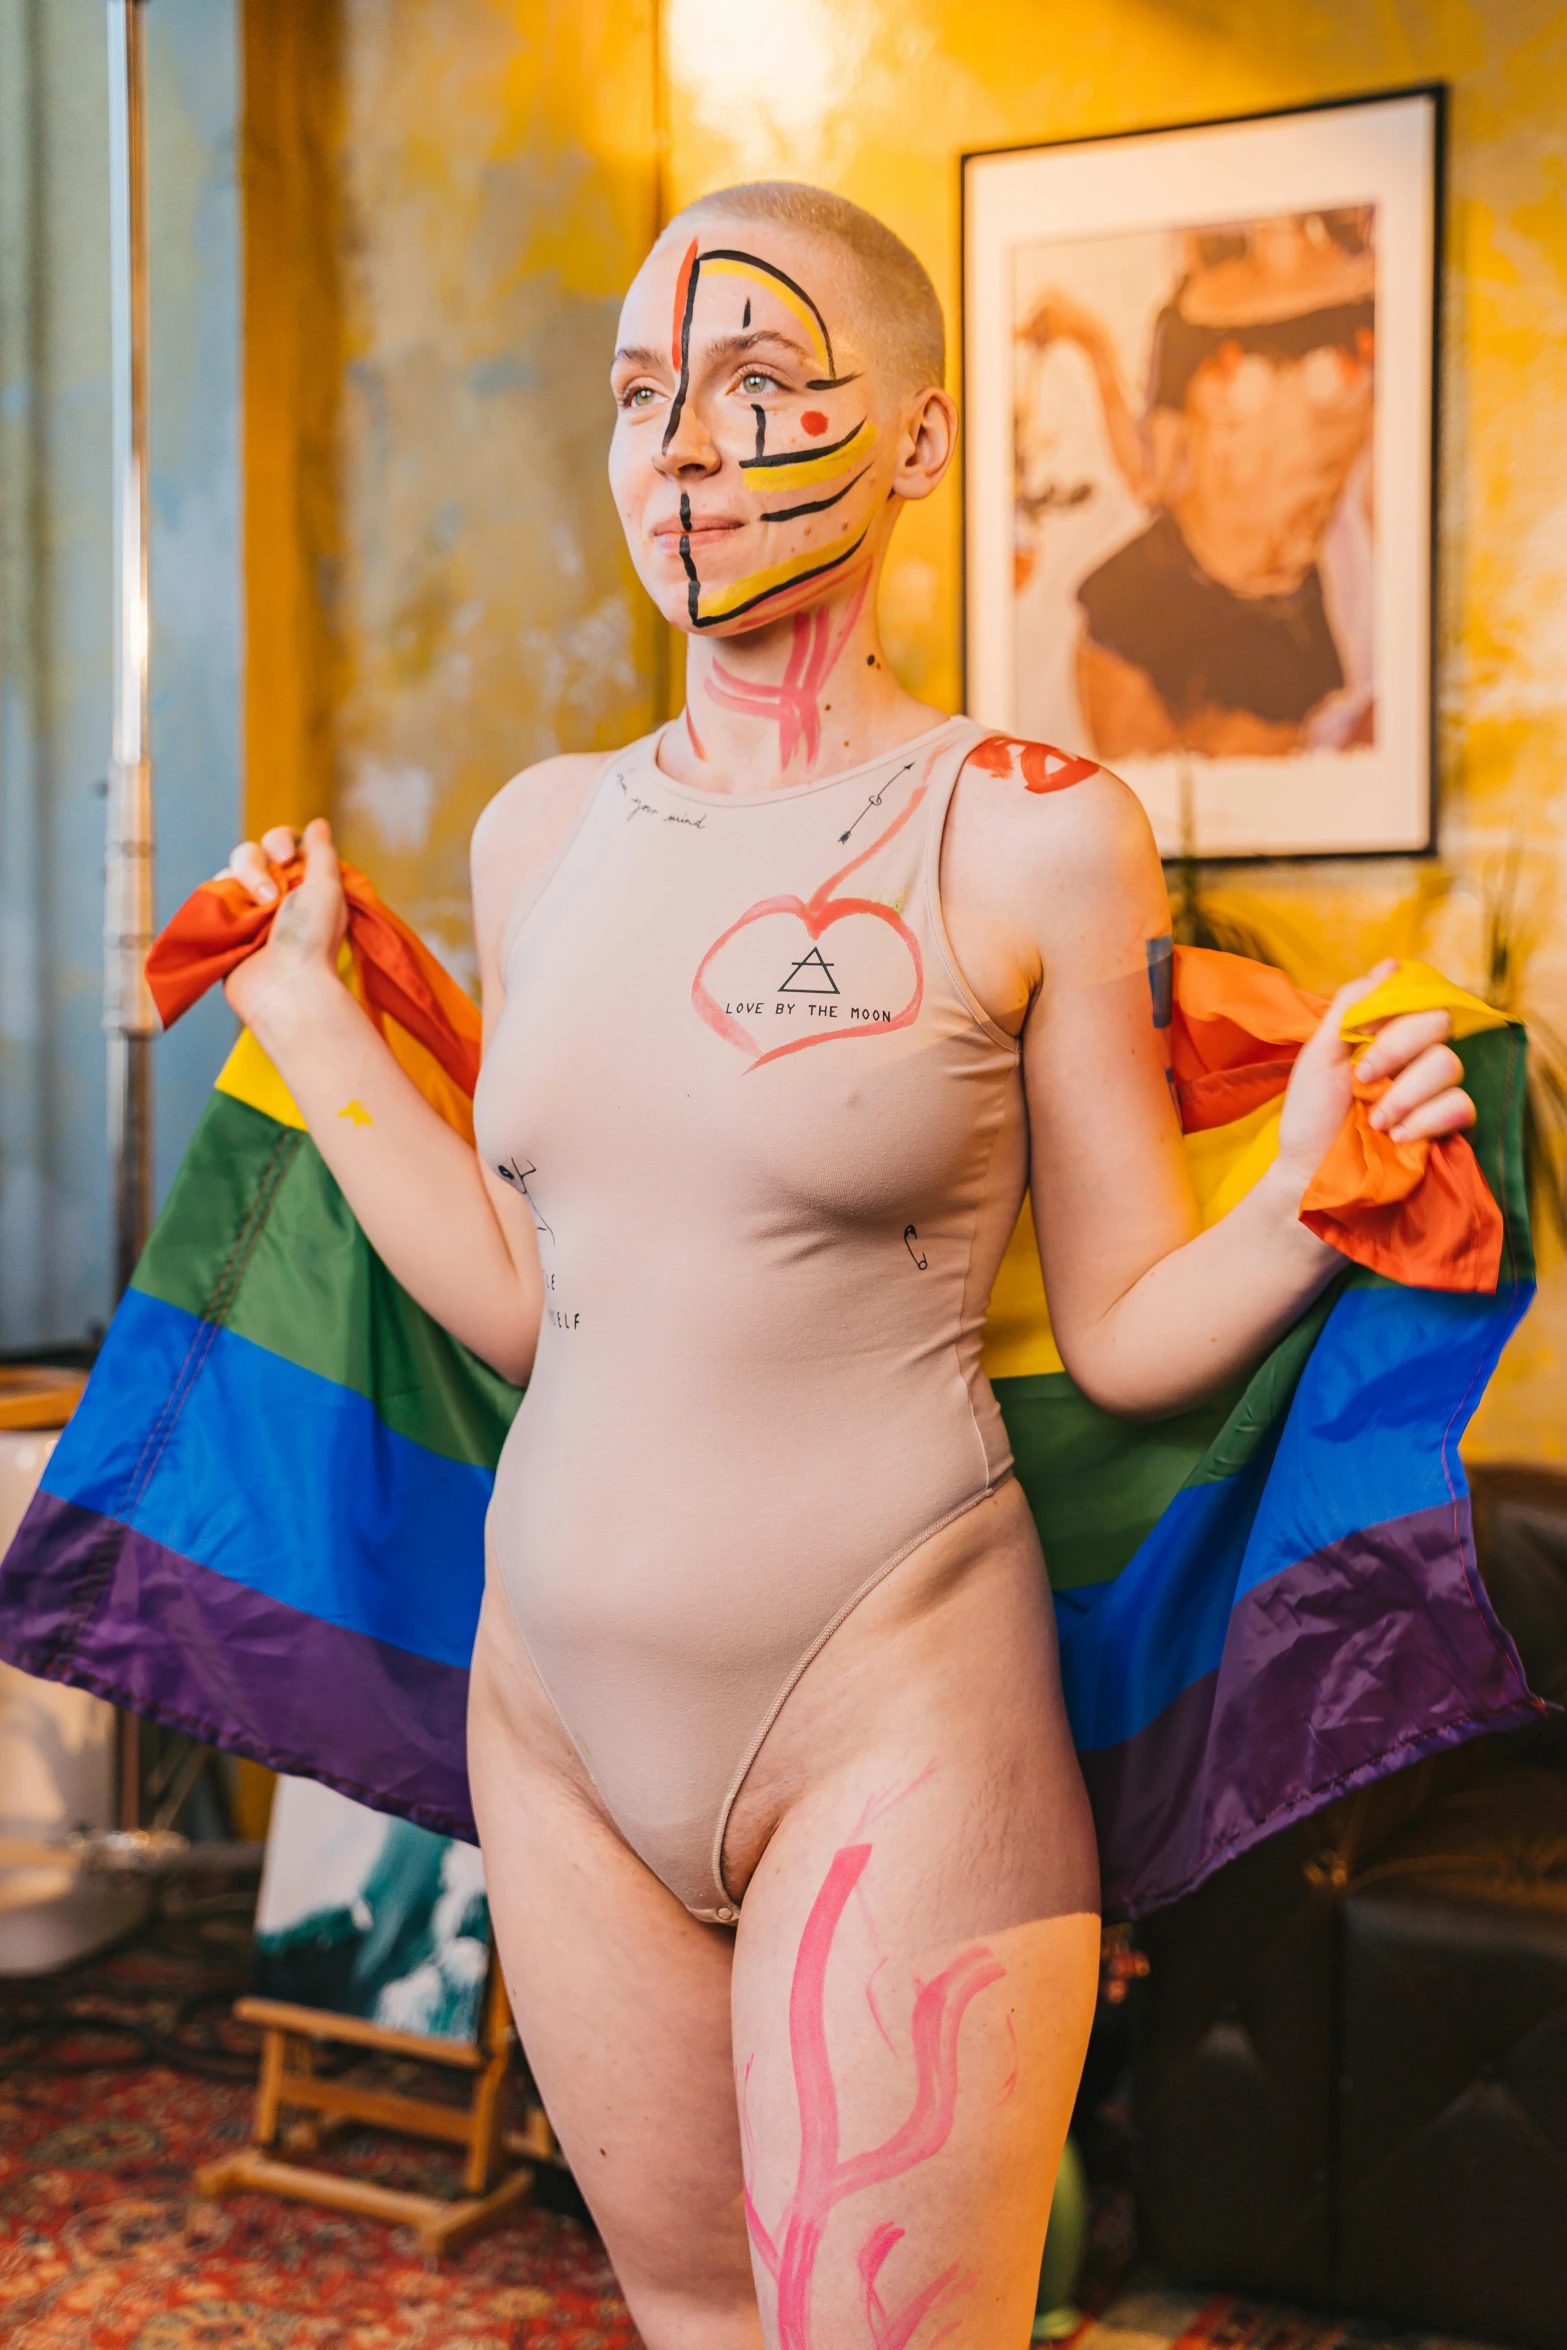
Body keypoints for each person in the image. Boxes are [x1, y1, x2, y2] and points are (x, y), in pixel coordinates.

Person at [220, 183, 1472, 2350]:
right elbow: (536, 1303)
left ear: (909, 442)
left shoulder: (1032, 823)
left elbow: (1123, 1331)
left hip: (890, 1701)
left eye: (756, 389)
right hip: (554, 1721)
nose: (680, 452)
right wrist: (316, 1021)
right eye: (639, 397)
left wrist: (1293, 1201)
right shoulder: (540, 836)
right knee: (696, 2319)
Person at [1019, 210, 1376, 758]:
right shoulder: (1190, 313)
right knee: (1133, 826)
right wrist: (1092, 343)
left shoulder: (1372, 297)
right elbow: (1150, 479)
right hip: (1154, 596)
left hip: (1277, 622)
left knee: (1247, 830)